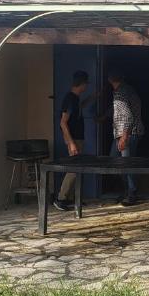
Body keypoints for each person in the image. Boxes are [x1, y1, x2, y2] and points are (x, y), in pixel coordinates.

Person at [53, 70, 95, 211]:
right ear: (81, 84)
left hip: (77, 138)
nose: (86, 87)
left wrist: (91, 98)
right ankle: (61, 198)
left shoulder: (75, 99)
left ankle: (72, 198)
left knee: (76, 169)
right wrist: (71, 143)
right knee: (73, 169)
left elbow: (79, 108)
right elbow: (63, 122)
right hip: (74, 139)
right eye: (86, 84)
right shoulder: (70, 99)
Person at [108, 72, 144, 205]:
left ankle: (131, 193)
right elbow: (118, 110)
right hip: (124, 133)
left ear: (109, 79)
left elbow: (127, 116)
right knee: (117, 161)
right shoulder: (126, 90)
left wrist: (124, 137)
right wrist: (104, 116)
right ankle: (127, 191)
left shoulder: (121, 92)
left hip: (127, 133)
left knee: (126, 163)